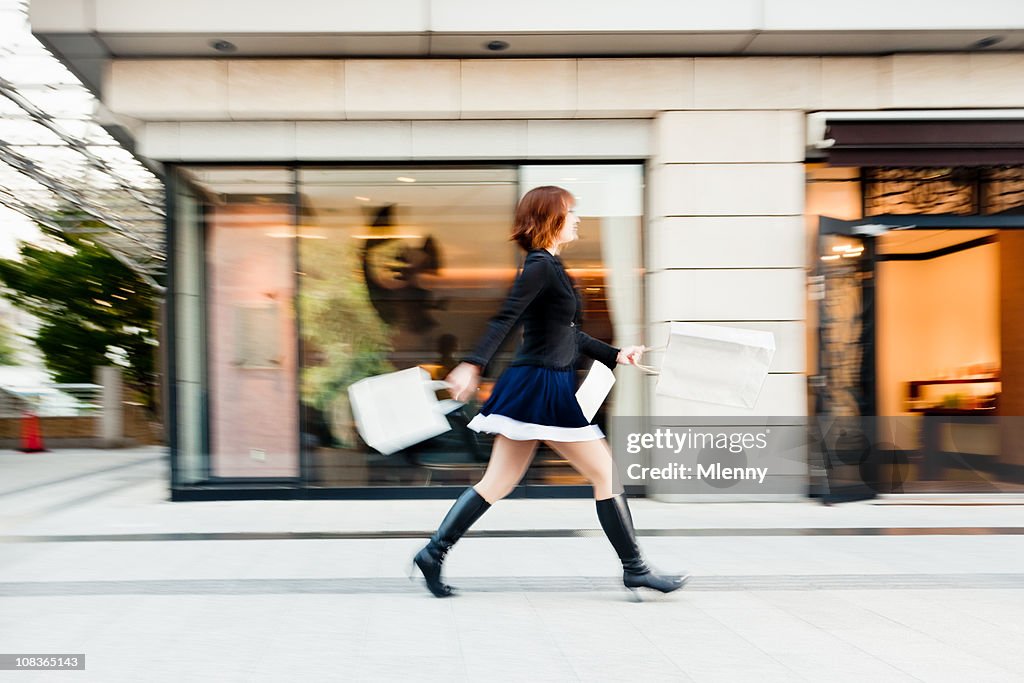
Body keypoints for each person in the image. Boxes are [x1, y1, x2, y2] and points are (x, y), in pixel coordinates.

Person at [411, 186, 688, 599]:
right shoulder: (540, 266)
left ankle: (433, 552)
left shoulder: (552, 267)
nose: (577, 219)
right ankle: (635, 569)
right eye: (571, 212)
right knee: (605, 474)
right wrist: (473, 363)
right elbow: (506, 317)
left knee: (499, 481)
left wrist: (616, 355)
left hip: (537, 383)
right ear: (551, 219)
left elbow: (567, 335)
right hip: (542, 387)